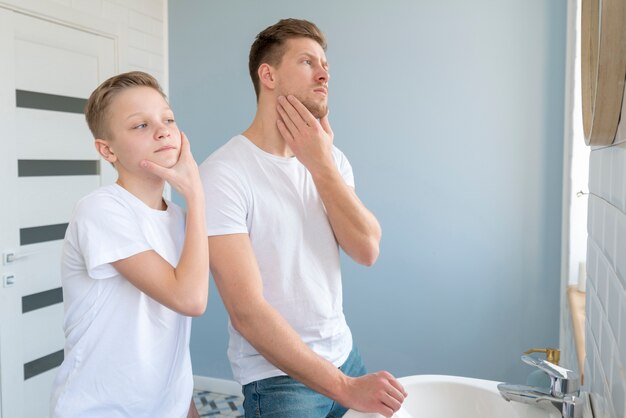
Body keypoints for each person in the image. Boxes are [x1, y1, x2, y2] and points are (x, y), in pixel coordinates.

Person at [200, 18, 406, 418]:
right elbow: (247, 313)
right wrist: (345, 389)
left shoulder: (330, 159)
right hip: (278, 380)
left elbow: (366, 249)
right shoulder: (223, 174)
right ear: (268, 74)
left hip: (346, 355)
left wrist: (321, 164)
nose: (324, 73)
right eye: (308, 62)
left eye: (325, 64)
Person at [50, 71, 208, 418]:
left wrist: (186, 406)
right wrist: (197, 194)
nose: (163, 130)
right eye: (140, 125)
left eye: (168, 119)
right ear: (107, 150)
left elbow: (169, 336)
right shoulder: (101, 209)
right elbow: (190, 299)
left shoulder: (180, 218)